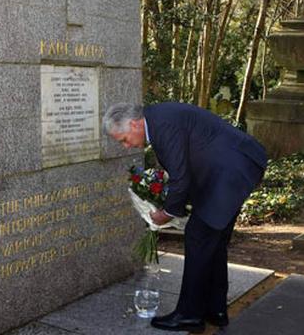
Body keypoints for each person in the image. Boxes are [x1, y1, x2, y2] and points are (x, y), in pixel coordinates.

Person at [102, 102, 267, 333]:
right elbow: (188, 166)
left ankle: (189, 315)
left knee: (198, 237)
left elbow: (180, 177)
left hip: (230, 171)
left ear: (133, 124)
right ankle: (215, 309)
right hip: (235, 167)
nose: (127, 146)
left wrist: (167, 213)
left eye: (124, 139)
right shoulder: (158, 119)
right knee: (213, 240)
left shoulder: (161, 125)